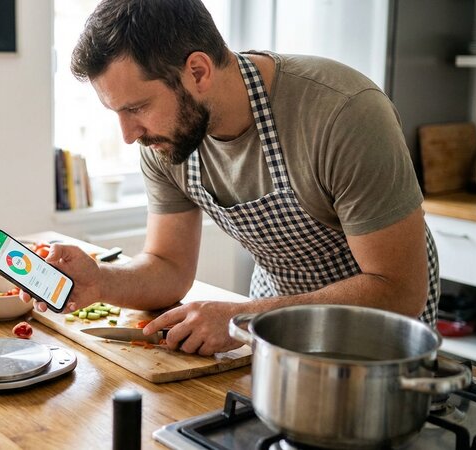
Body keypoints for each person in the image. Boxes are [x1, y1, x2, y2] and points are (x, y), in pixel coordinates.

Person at [22, 0, 438, 356]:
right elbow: (168, 267)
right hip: (271, 312)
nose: (129, 135)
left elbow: (398, 289)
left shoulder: (343, 113)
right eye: (117, 113)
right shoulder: (166, 142)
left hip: (374, 326)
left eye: (137, 108)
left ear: (198, 72)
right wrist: (99, 281)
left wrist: (244, 318)